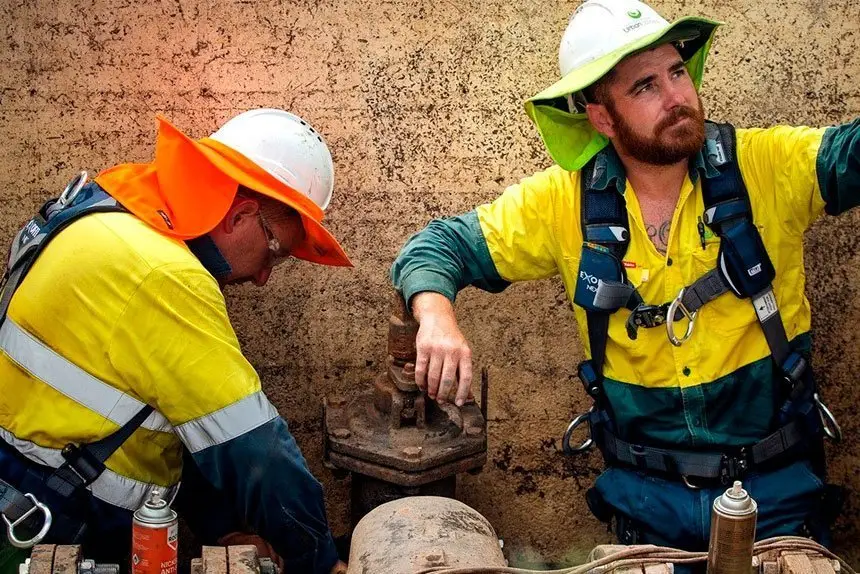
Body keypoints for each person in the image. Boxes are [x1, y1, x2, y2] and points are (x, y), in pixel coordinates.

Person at [391, 0, 858, 550]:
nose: (677, 97)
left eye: (677, 72)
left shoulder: (767, 165)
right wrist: (436, 317)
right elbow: (437, 246)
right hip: (646, 505)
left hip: (777, 495)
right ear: (603, 118)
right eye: (645, 87)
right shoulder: (562, 202)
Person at [0, 108, 349, 574]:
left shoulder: (112, 208)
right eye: (275, 252)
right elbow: (254, 448)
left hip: (35, 488)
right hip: (50, 523)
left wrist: (223, 529)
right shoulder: (164, 273)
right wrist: (317, 562)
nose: (264, 277)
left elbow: (172, 417)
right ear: (241, 216)